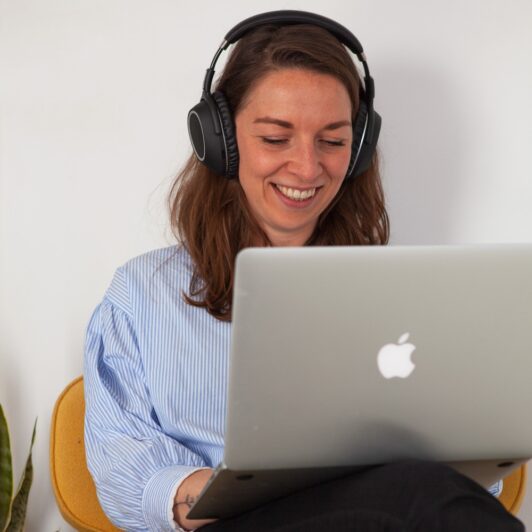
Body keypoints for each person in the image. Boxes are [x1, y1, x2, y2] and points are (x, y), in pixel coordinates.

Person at [83, 10, 525, 532]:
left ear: (358, 149)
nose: (308, 168)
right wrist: (199, 495)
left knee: (422, 493)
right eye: (276, 138)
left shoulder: (407, 296)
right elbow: (119, 464)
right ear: (220, 140)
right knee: (420, 494)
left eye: (333, 141)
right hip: (232, 523)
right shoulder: (141, 295)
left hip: (389, 513)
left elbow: (474, 480)